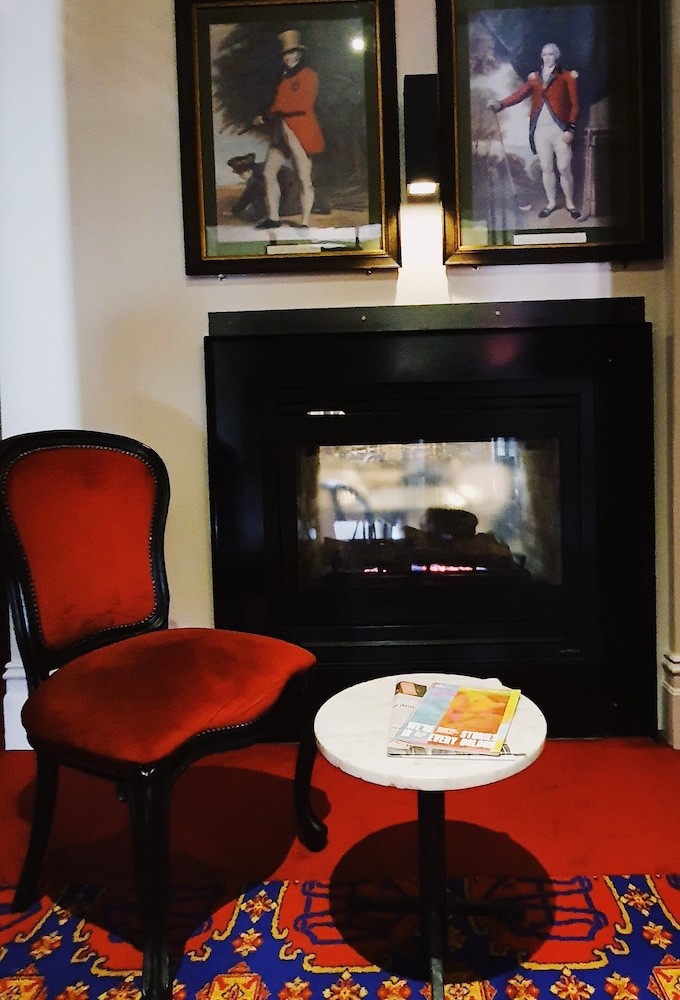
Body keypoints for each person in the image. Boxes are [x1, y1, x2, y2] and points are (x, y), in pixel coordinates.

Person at [488, 42, 580, 220]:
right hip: (540, 131)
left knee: (564, 167)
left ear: (556, 56)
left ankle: (570, 203)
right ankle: (551, 203)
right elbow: (519, 95)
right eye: (544, 54)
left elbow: (575, 105)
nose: (547, 57)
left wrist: (571, 128)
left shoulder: (567, 76)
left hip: (560, 130)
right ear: (541, 57)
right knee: (546, 168)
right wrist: (500, 104)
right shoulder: (535, 78)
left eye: (551, 54)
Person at [253, 29, 325, 229]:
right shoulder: (282, 76)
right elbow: (278, 102)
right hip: (282, 129)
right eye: (285, 53)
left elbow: (302, 103)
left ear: (299, 53)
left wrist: (271, 113)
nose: (288, 57)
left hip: (301, 129)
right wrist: (265, 114)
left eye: (292, 52)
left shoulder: (309, 75)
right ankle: (273, 218)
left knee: (303, 177)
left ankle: (305, 221)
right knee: (268, 173)